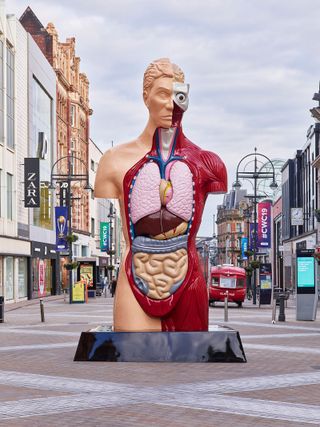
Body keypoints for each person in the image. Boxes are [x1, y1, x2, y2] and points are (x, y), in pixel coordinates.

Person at [95, 58, 227, 332]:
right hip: (135, 276)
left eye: (178, 96)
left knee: (189, 365)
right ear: (146, 97)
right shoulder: (114, 160)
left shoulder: (208, 163)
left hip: (187, 278)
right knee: (133, 355)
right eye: (162, 94)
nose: (171, 105)